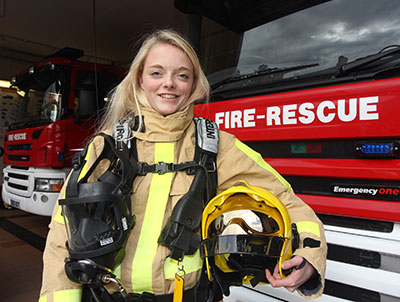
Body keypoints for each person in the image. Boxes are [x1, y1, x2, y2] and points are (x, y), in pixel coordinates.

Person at [39, 29, 327, 302]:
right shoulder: (105, 148)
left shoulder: (219, 147)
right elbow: (62, 234)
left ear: (194, 85)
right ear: (140, 79)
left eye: (182, 75)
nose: (169, 83)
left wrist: (309, 258)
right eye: (156, 73)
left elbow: (286, 200)